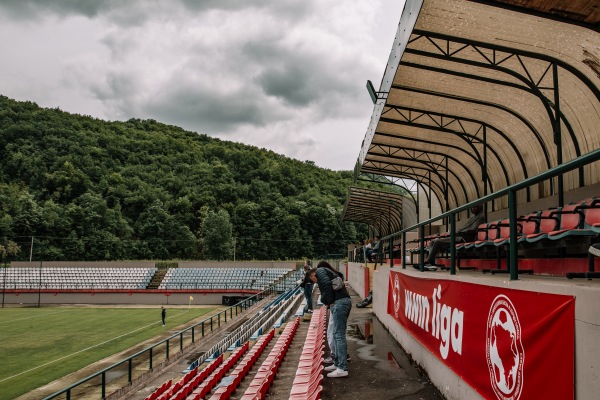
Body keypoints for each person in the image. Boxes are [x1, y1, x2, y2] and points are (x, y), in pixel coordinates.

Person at [307, 261, 351, 378]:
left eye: (312, 280)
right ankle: (337, 364)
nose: (314, 282)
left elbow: (326, 286)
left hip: (339, 303)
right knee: (336, 334)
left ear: (313, 275)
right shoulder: (326, 272)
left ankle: (342, 367)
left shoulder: (320, 271)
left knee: (339, 335)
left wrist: (330, 301)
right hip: (341, 302)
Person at [423, 205, 485, 269]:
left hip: (464, 238)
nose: (473, 209)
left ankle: (429, 262)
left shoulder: (481, 216)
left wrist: (459, 232)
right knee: (432, 242)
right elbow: (464, 228)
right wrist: (457, 232)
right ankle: (431, 262)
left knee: (437, 241)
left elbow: (472, 230)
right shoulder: (472, 218)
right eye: (472, 207)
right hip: (458, 236)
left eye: (475, 207)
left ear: (479, 208)